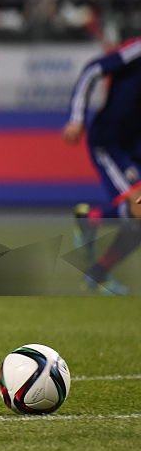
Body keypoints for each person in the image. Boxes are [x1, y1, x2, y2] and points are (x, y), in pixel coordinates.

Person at [62, 38, 141, 295]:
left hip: (135, 146)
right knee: (139, 208)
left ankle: (97, 274)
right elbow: (93, 70)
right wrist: (77, 118)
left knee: (137, 226)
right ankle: (90, 219)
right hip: (111, 142)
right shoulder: (136, 50)